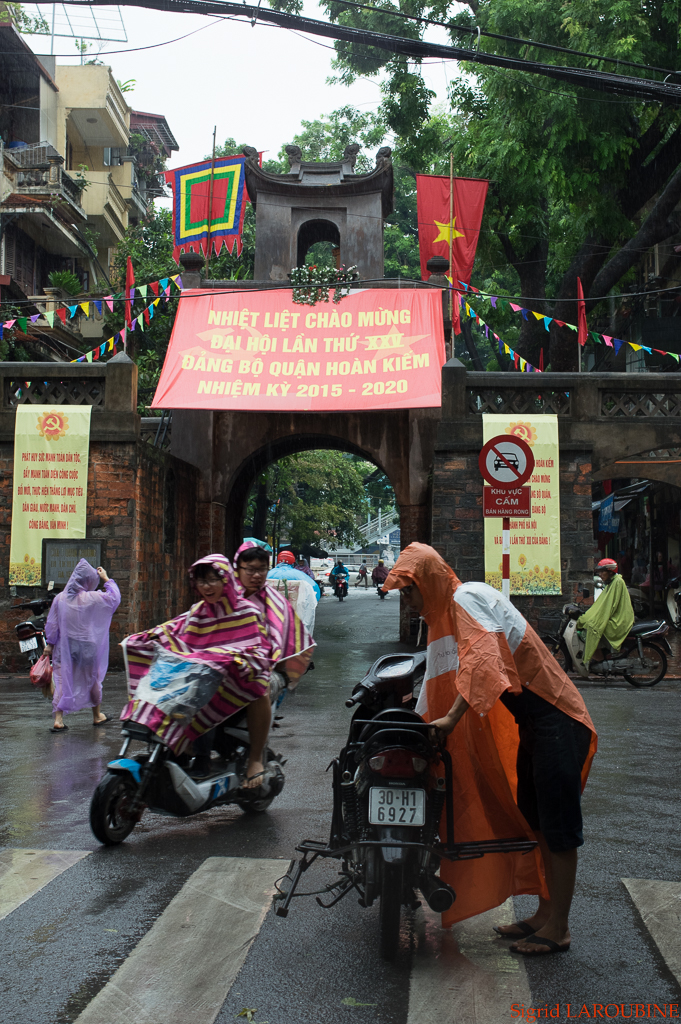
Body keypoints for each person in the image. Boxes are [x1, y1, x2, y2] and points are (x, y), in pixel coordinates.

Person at [383, 543, 597, 956]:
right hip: (536, 723)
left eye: (408, 589)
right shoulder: (446, 614)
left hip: (558, 718)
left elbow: (485, 662)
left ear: (427, 579)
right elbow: (444, 675)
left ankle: (559, 928)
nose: (406, 600)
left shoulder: (467, 598)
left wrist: (450, 719)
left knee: (559, 829)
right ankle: (544, 913)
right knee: (535, 821)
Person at [123, 554, 313, 785]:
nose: (207, 586)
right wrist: (144, 638)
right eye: (201, 581)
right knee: (173, 688)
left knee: (245, 690)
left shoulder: (250, 610)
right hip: (206, 674)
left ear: (226, 579)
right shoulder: (199, 610)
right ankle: (177, 748)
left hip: (247, 675)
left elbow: (260, 648)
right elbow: (174, 630)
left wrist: (241, 660)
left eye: (213, 580)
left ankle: (246, 759)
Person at [44, 560, 121, 733]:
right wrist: (106, 578)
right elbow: (114, 599)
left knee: (62, 680)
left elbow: (52, 625)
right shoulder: (92, 598)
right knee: (92, 679)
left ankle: (58, 719)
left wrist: (50, 644)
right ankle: (97, 715)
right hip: (87, 646)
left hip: (66, 646)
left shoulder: (60, 599)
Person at [577, 557, 634, 667]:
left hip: (620, 619)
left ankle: (600, 659)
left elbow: (609, 606)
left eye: (603, 571)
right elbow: (602, 604)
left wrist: (596, 618)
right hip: (616, 616)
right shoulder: (611, 582)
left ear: (610, 571)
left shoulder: (617, 582)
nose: (600, 574)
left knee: (593, 627)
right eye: (600, 572)